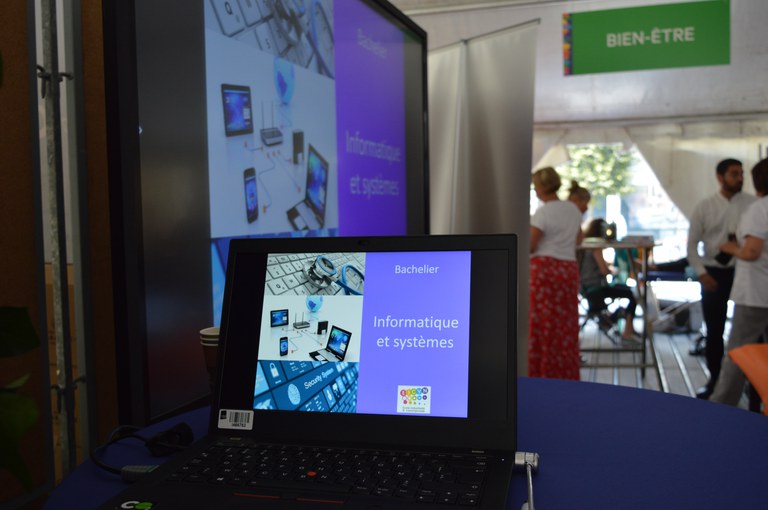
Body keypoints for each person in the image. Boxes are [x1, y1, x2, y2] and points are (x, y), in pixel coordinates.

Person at [687, 158, 756, 399]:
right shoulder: (705, 206)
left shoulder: (752, 205)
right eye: (734, 174)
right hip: (713, 272)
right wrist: (702, 273)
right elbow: (692, 245)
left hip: (744, 271)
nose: (740, 178)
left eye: (741, 174)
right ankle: (715, 378)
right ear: (720, 177)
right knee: (714, 329)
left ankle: (752, 381)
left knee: (749, 330)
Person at [709, 158, 768, 407]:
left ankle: (721, 407)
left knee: (738, 353)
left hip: (755, 293)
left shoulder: (759, 209)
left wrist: (730, 248)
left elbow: (752, 251)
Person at [529, 167, 584, 379]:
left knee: (543, 326)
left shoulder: (543, 213)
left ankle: (543, 373)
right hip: (568, 269)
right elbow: (578, 240)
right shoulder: (573, 209)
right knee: (565, 325)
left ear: (541, 187)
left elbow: (531, 246)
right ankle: (566, 373)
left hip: (544, 272)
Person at [578, 219, 640, 342]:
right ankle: (627, 331)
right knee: (631, 293)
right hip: (596, 289)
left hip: (585, 289)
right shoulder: (596, 247)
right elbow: (604, 271)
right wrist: (612, 271)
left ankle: (621, 325)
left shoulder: (584, 245)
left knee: (628, 291)